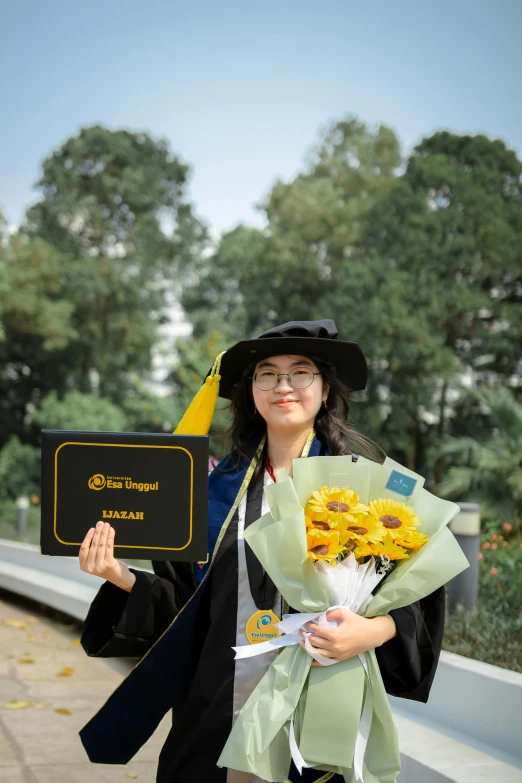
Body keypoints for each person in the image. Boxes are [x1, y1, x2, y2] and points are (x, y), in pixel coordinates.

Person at [78, 319, 445, 783]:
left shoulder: (366, 483)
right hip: (216, 706)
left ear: (326, 388)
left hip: (321, 697)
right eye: (267, 374)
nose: (283, 386)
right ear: (251, 391)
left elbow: (417, 597)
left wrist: (374, 630)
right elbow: (183, 606)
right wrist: (120, 576)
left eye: (300, 372)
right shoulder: (208, 491)